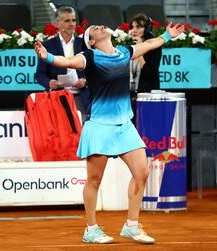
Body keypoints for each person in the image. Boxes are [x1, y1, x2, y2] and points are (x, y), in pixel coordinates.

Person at [34, 23, 184, 243]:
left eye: (102, 25)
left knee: (141, 172)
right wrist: (47, 57)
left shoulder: (124, 52)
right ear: (91, 40)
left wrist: (167, 36)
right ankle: (91, 229)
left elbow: (150, 44)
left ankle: (131, 226)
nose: (101, 26)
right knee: (94, 180)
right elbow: (65, 61)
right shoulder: (89, 56)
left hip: (124, 124)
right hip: (100, 125)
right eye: (95, 28)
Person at [35, 6, 88, 116]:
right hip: (57, 96)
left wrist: (85, 81)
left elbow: (94, 70)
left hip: (80, 96)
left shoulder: (84, 44)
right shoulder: (47, 46)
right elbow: (39, 74)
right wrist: (49, 83)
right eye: (67, 20)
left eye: (73, 20)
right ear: (57, 23)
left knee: (81, 129)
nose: (71, 24)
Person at [129, 14, 162, 93]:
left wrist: (139, 48)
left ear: (147, 29)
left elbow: (149, 74)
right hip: (128, 92)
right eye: (132, 27)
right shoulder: (128, 45)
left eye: (138, 27)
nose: (133, 30)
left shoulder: (154, 46)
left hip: (147, 91)